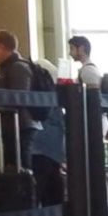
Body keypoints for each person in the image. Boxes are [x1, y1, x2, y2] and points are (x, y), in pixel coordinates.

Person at [0, 30, 39, 171]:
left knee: (20, 165)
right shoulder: (13, 67)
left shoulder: (17, 67)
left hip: (20, 125)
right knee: (16, 164)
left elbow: (19, 97)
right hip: (17, 124)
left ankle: (24, 191)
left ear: (3, 46)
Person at [29, 58, 66, 207]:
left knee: (41, 179)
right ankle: (55, 212)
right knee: (52, 176)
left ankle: (41, 213)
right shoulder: (52, 88)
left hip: (40, 141)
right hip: (53, 142)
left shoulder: (38, 87)